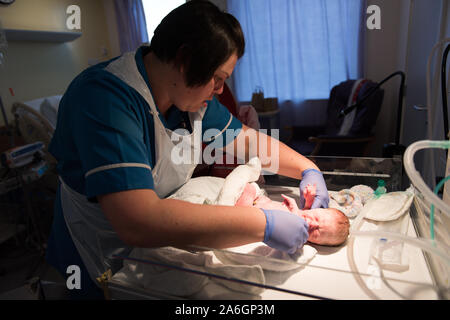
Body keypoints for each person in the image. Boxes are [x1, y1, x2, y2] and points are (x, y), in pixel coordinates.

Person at [45, 0, 330, 299]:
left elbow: (245, 139)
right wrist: (264, 223)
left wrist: (307, 168)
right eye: (217, 79)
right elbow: (137, 220)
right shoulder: (105, 98)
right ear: (185, 59)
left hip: (156, 243)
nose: (220, 90)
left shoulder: (188, 99)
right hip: (97, 247)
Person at [236, 183, 349, 246]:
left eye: (316, 233)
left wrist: (295, 214)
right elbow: (307, 208)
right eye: (317, 217)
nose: (311, 223)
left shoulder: (297, 238)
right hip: (259, 199)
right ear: (318, 209)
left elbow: (291, 229)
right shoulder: (306, 211)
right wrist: (309, 196)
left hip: (250, 215)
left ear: (316, 243)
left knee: (247, 192)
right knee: (252, 186)